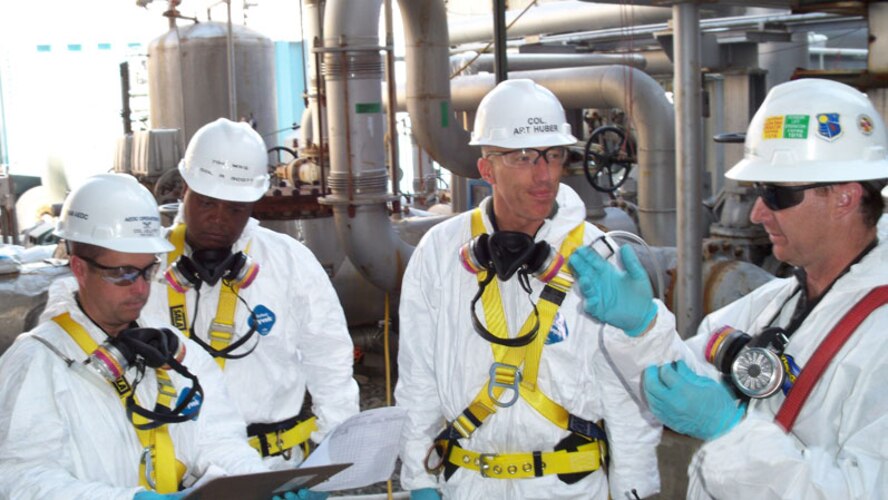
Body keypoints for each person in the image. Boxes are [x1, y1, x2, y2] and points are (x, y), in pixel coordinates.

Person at [570, 77, 888, 498]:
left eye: (775, 194)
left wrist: (732, 431)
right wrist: (642, 327)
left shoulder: (878, 337)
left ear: (845, 198)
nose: (758, 213)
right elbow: (686, 380)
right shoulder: (777, 302)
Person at [395, 79, 667, 499]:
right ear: (487, 169)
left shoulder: (596, 257)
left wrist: (635, 490)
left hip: (566, 487)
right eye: (523, 158)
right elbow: (418, 379)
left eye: (553, 156)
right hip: (468, 484)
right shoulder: (440, 252)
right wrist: (417, 478)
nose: (544, 175)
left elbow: (629, 397)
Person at [0, 173, 268, 499]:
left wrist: (262, 484)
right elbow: (20, 480)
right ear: (79, 268)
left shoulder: (172, 350)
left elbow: (218, 440)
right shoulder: (37, 362)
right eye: (123, 273)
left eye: (147, 270)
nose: (141, 289)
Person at [141, 118, 359, 474]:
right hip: (176, 468)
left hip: (272, 465)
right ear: (185, 190)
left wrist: (324, 467)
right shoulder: (143, 266)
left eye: (235, 208)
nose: (219, 219)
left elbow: (331, 367)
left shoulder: (290, 263)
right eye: (207, 203)